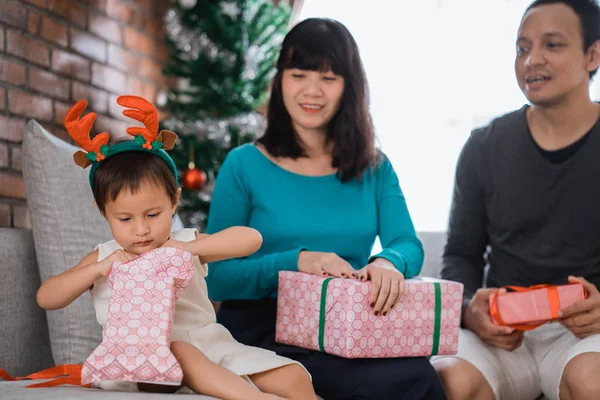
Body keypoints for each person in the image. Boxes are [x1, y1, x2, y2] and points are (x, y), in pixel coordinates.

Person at [205, 18, 447, 400]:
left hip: (345, 329)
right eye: (299, 74)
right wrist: (297, 262)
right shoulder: (243, 165)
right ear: (280, 79)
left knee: (417, 374)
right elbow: (217, 276)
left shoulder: (374, 168)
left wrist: (388, 262)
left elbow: (407, 244)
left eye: (329, 78)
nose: (312, 91)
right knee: (394, 383)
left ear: (349, 86)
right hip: (260, 332)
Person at [36, 95, 317, 400]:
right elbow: (46, 297)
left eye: (153, 215)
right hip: (143, 362)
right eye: (125, 218)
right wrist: (95, 270)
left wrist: (190, 250)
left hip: (213, 347)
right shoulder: (104, 258)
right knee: (180, 350)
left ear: (174, 202)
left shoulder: (183, 244)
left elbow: (251, 239)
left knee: (295, 376)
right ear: (103, 212)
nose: (141, 229)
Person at [431, 1, 600, 399]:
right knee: (446, 380)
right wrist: (470, 310)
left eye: (552, 45)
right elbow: (460, 255)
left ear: (593, 54)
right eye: (522, 48)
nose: (532, 60)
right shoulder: (484, 146)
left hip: (586, 334)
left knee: (591, 381)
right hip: (504, 333)